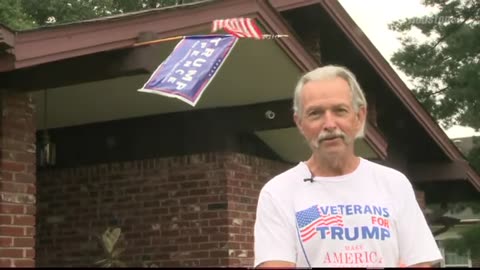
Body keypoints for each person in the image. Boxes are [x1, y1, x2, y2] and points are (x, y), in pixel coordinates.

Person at [253, 65, 443, 268]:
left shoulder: (394, 183)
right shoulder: (278, 192)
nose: (329, 124)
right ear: (300, 123)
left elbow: (420, 263)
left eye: (340, 110)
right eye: (315, 113)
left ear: (359, 116)